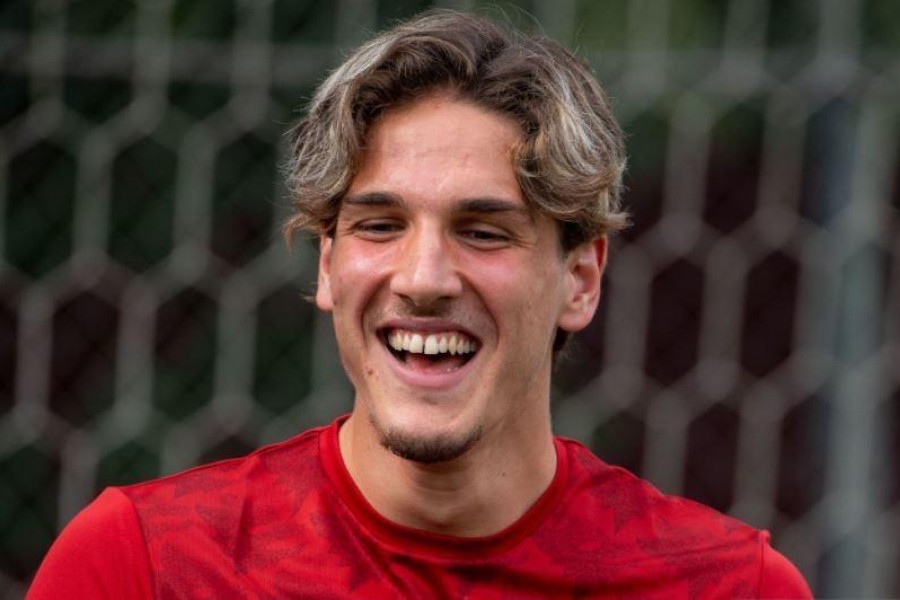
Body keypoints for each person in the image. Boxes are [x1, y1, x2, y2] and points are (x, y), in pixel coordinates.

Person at [28, 10, 811, 598]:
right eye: (380, 224)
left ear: (581, 279)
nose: (425, 277)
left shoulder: (732, 588)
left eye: (484, 231)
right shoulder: (142, 565)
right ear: (329, 264)